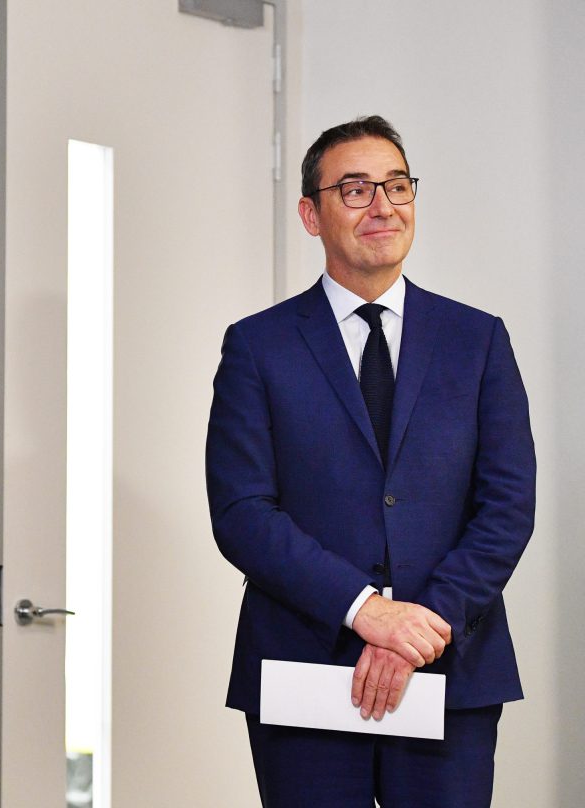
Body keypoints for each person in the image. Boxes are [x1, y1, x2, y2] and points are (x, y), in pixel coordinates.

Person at [205, 116, 535, 807]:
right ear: (311, 213)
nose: (382, 205)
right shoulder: (257, 348)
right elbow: (242, 513)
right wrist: (365, 611)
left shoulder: (478, 341)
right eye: (354, 189)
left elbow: (507, 507)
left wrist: (416, 628)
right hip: (304, 666)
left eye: (396, 185)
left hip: (450, 668)